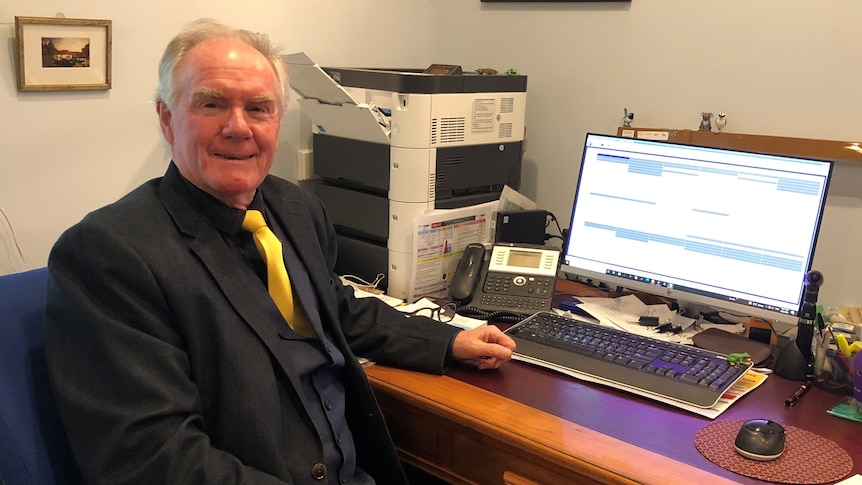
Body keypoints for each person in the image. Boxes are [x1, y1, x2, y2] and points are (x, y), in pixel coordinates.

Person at [44, 18, 516, 485]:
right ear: (167, 118)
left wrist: (448, 340)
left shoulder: (294, 207)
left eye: (259, 108)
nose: (238, 127)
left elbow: (333, 307)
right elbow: (150, 461)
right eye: (211, 104)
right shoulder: (110, 253)